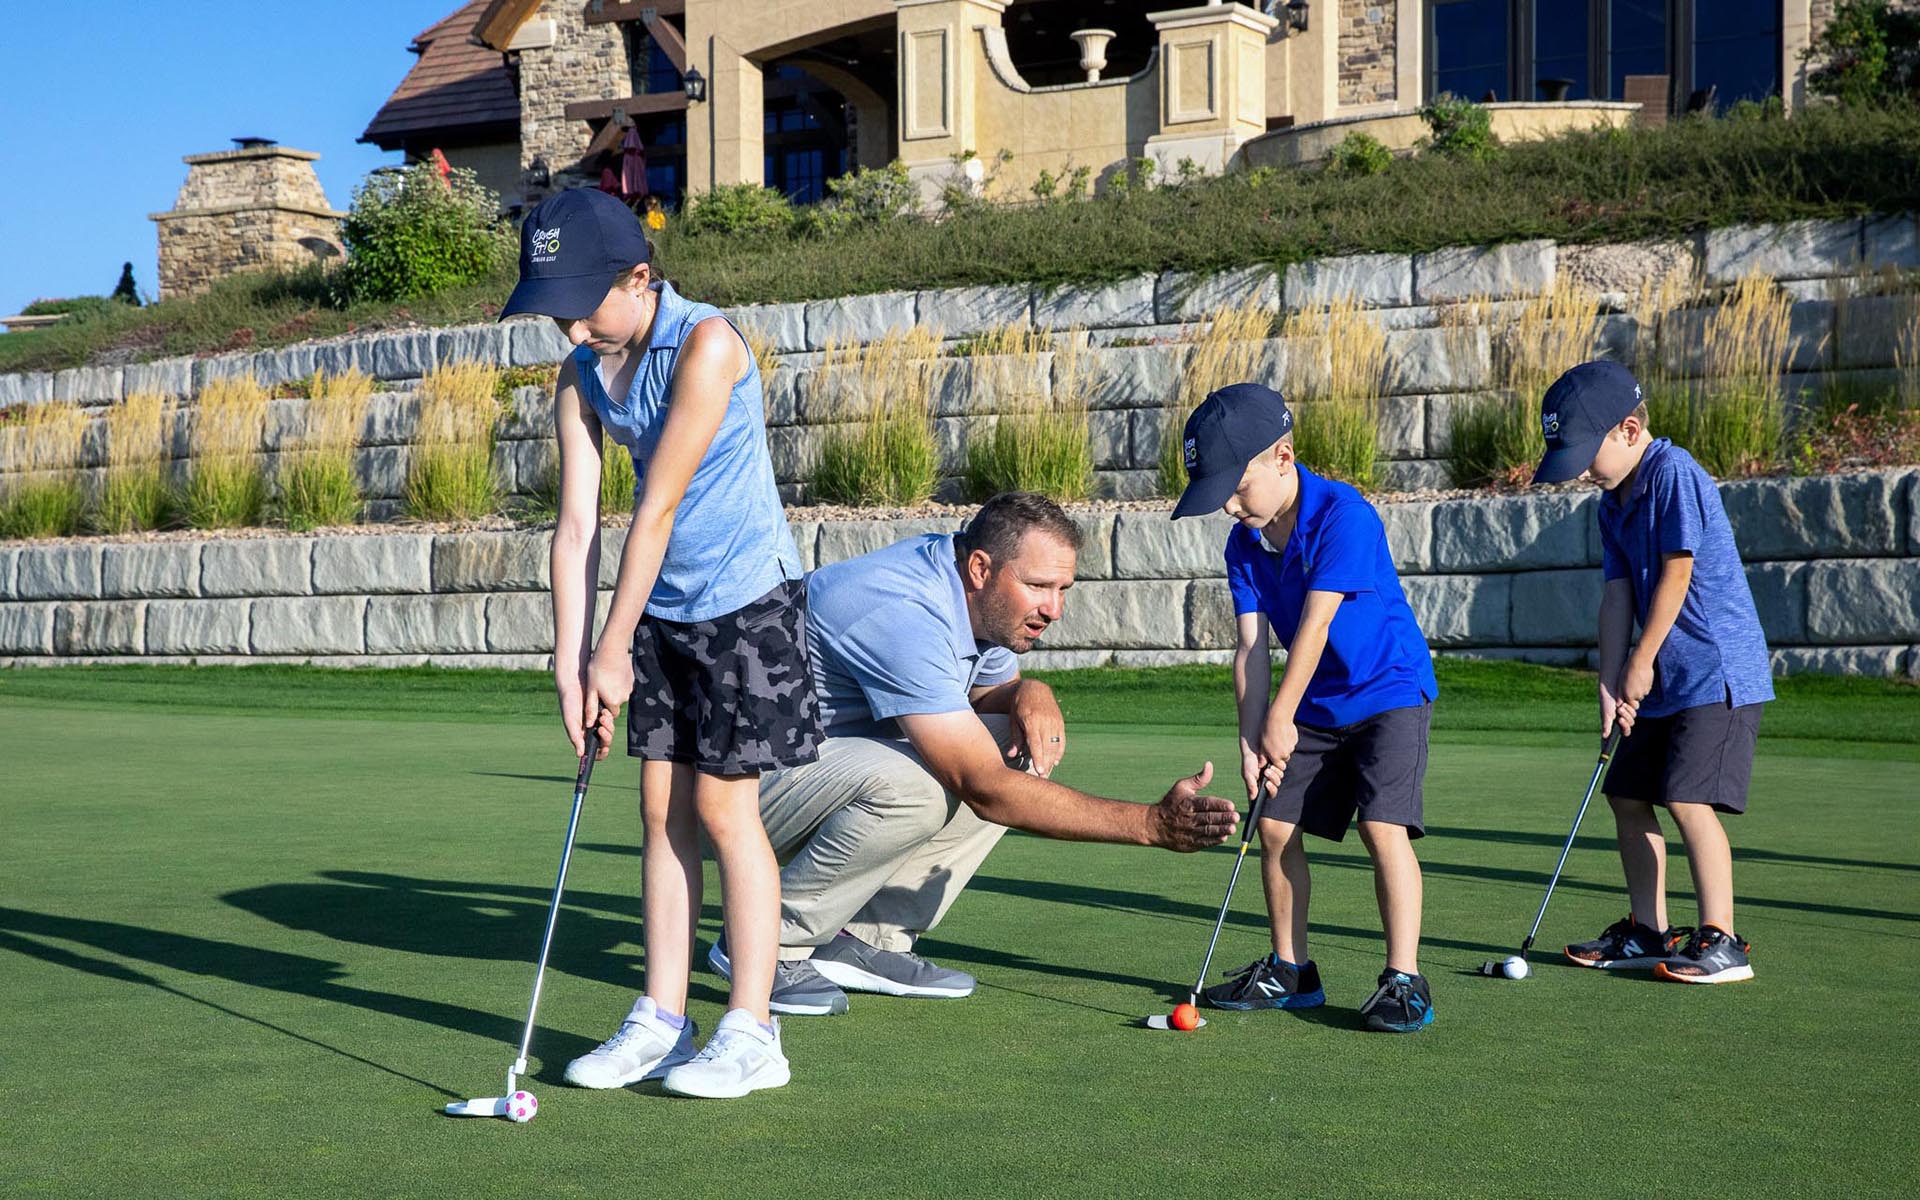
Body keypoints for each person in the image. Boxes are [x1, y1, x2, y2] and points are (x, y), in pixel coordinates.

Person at [502, 187, 822, 1097]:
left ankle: (753, 1031)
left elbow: (658, 507)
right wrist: (570, 663)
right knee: (659, 810)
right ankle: (662, 1019)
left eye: (580, 306)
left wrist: (612, 648)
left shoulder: (706, 344)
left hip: (746, 602)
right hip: (664, 608)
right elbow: (576, 527)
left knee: (724, 809)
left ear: (639, 277)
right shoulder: (582, 373)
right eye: (554, 312)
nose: (570, 330)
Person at [705, 492, 1243, 1016]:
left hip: (803, 772)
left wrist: (1030, 691)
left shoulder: (974, 597)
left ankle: (865, 937)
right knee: (917, 786)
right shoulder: (905, 609)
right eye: (1038, 586)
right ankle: (767, 940)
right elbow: (982, 788)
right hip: (728, 792)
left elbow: (986, 696)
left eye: (1063, 589)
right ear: (982, 568)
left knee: (1013, 744)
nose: (1054, 608)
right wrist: (1150, 824)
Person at [1172, 383, 1439, 1033]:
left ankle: (1404, 979)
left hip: (1388, 689)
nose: (1230, 506)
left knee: (1382, 827)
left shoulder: (1345, 516)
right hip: (1314, 700)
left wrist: (1280, 719)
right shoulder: (1244, 544)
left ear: (1283, 458)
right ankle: (1291, 971)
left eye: (1238, 488)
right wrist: (1250, 739)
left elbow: (1316, 628)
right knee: (1273, 827)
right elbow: (1250, 648)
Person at [1531, 360, 1770, 984]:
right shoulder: (1612, 502)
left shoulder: (1672, 472)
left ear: (1630, 431)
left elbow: (1677, 572)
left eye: (1588, 453)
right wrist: (1609, 680)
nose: (1583, 470)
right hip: (1665, 677)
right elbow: (1617, 597)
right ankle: (1647, 931)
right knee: (1627, 793)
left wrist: (1640, 663)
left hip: (1717, 673)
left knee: (1687, 797)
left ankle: (1723, 940)